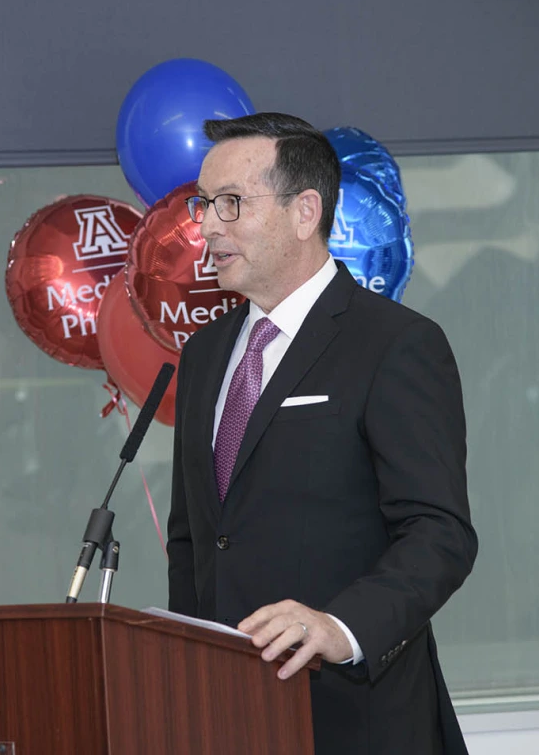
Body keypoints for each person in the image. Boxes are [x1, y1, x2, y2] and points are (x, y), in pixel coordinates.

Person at [166, 112, 478, 754]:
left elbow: (439, 534)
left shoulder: (395, 344)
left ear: (305, 211)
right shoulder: (204, 354)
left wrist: (342, 627)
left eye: (231, 203)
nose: (208, 227)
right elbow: (194, 539)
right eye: (203, 205)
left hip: (354, 717)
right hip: (225, 716)